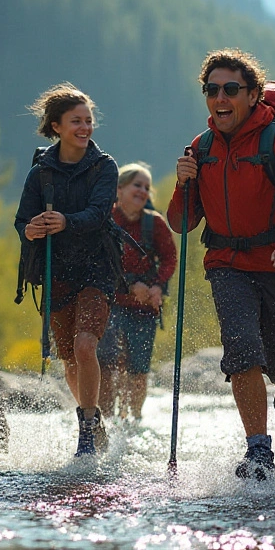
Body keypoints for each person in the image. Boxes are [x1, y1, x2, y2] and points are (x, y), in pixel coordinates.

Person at [168, 49, 275, 480]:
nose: (220, 98)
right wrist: (183, 183)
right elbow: (181, 222)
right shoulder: (200, 148)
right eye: (212, 89)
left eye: (231, 89)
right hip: (227, 265)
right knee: (241, 353)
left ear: (254, 95)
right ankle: (259, 450)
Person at [15, 83, 118, 458]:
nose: (85, 127)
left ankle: (87, 428)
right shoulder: (39, 173)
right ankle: (92, 416)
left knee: (85, 345)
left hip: (97, 271)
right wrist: (29, 230)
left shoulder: (105, 166)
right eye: (76, 121)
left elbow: (98, 214)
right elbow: (21, 222)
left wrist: (63, 222)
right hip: (55, 273)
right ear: (56, 126)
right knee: (70, 360)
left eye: (89, 120)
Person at [97, 162, 177, 420]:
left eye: (146, 187)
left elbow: (169, 259)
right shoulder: (104, 220)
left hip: (144, 307)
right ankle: (107, 418)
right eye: (137, 185)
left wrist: (156, 286)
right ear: (119, 189)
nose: (143, 191)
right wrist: (131, 285)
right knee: (107, 364)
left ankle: (133, 418)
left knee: (139, 368)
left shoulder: (155, 224)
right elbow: (99, 261)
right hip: (110, 303)